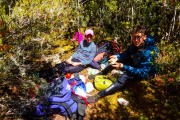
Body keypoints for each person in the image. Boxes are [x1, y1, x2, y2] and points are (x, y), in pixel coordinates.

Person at [87, 25, 159, 103]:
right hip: (136, 64)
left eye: (138, 37)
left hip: (145, 72)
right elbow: (127, 53)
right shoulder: (136, 44)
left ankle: (99, 95)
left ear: (144, 37)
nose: (136, 40)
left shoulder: (148, 52)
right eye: (134, 37)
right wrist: (117, 57)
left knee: (124, 76)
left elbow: (143, 73)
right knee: (114, 62)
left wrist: (123, 66)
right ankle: (99, 74)